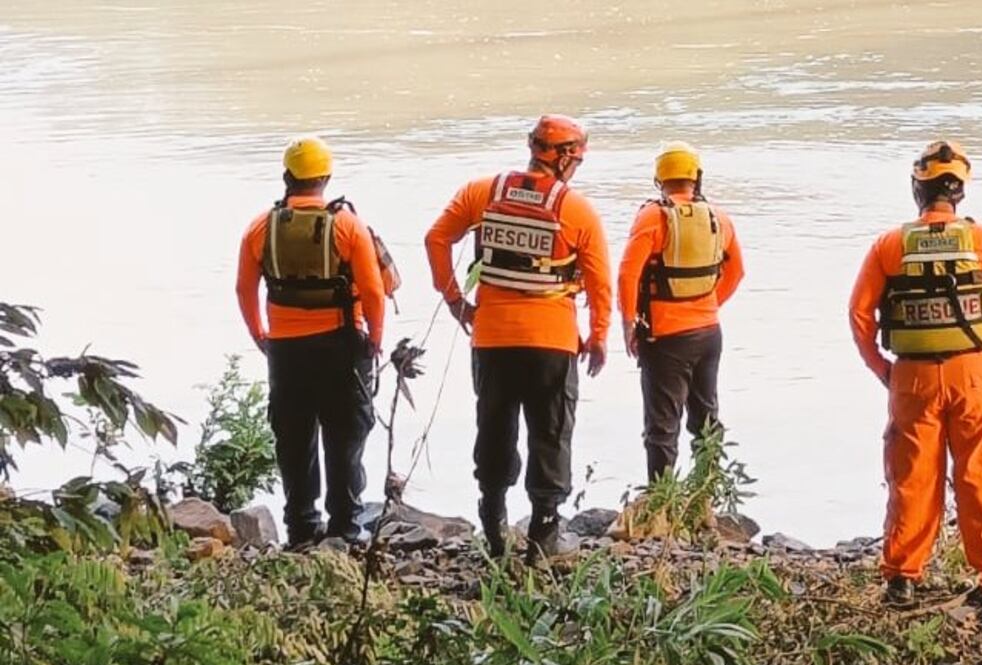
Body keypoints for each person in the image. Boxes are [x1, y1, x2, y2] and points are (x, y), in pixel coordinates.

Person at [848, 141, 982, 608]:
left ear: (918, 189)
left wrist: (882, 370)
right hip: (979, 375)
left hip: (911, 378)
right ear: (960, 195)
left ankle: (902, 578)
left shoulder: (890, 246)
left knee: (912, 478)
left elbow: (859, 314)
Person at [424, 115, 611, 562]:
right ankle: (544, 531)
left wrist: (454, 300)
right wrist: (600, 334)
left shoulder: (481, 193)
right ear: (565, 158)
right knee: (550, 431)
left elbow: (436, 239)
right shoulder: (576, 209)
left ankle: (492, 523)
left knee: (494, 426)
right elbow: (600, 281)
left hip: (491, 336)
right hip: (552, 340)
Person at [237, 136, 397, 549]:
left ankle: (302, 526)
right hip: (342, 345)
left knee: (293, 437)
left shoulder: (261, 227)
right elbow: (375, 291)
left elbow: (243, 289)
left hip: (286, 351)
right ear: (326, 177)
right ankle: (345, 525)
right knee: (345, 436)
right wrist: (375, 340)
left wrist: (260, 335)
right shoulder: (347, 225)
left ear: (287, 176)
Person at [618, 141, 745, 482]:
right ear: (696, 176)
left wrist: (628, 323)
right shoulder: (719, 218)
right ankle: (707, 492)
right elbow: (737, 272)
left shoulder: (653, 216)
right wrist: (708, 305)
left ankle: (662, 500)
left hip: (664, 337)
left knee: (662, 425)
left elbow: (628, 274)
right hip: (709, 333)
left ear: (659, 178)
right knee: (706, 419)